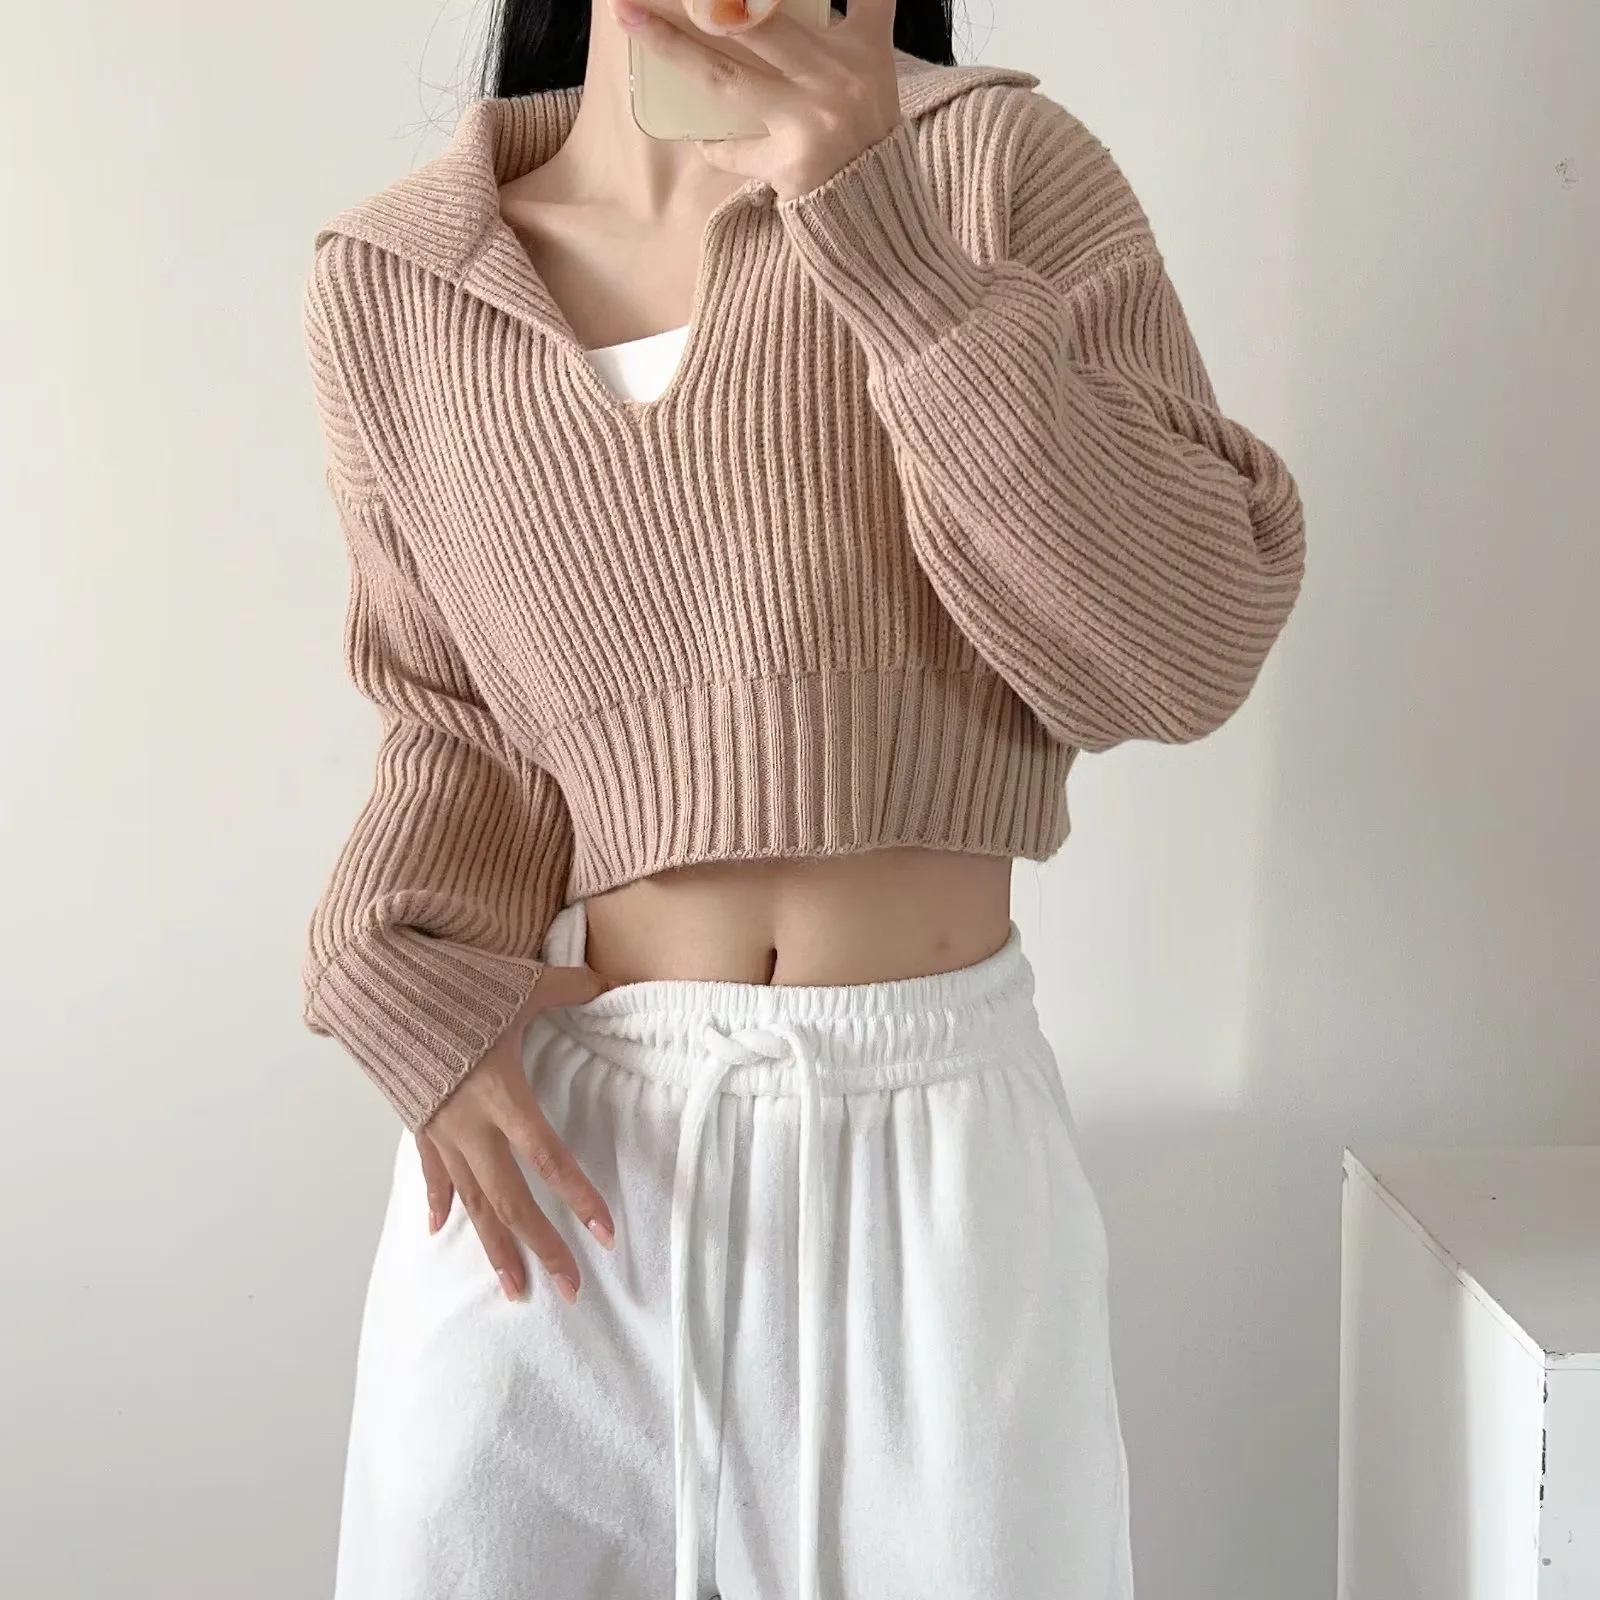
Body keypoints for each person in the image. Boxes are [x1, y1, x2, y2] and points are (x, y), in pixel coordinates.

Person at [298, 1, 1306, 1596]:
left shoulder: (990, 167)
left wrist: (886, 243)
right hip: (559, 1178)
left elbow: (1182, 647)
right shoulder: (391, 280)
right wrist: (389, 954)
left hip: (926, 1152)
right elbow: (451, 716)